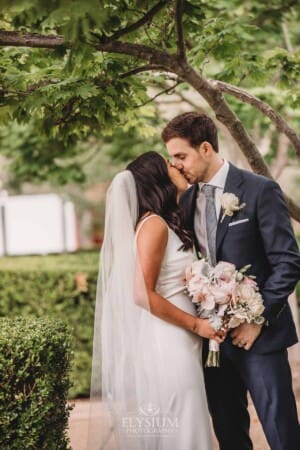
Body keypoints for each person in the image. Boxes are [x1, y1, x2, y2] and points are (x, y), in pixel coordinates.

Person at [162, 111, 300, 450]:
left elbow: (287, 262)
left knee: (281, 432)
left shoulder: (259, 190)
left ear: (206, 148)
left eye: (181, 156)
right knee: (229, 434)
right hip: (212, 344)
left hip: (260, 339)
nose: (176, 165)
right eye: (172, 158)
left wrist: (257, 320)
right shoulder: (187, 199)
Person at [88, 151, 225, 450]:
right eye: (168, 163)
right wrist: (197, 324)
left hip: (182, 339)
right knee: (186, 422)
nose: (175, 165)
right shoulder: (153, 226)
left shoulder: (166, 222)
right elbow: (141, 294)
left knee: (186, 420)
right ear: (157, 177)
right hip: (170, 342)